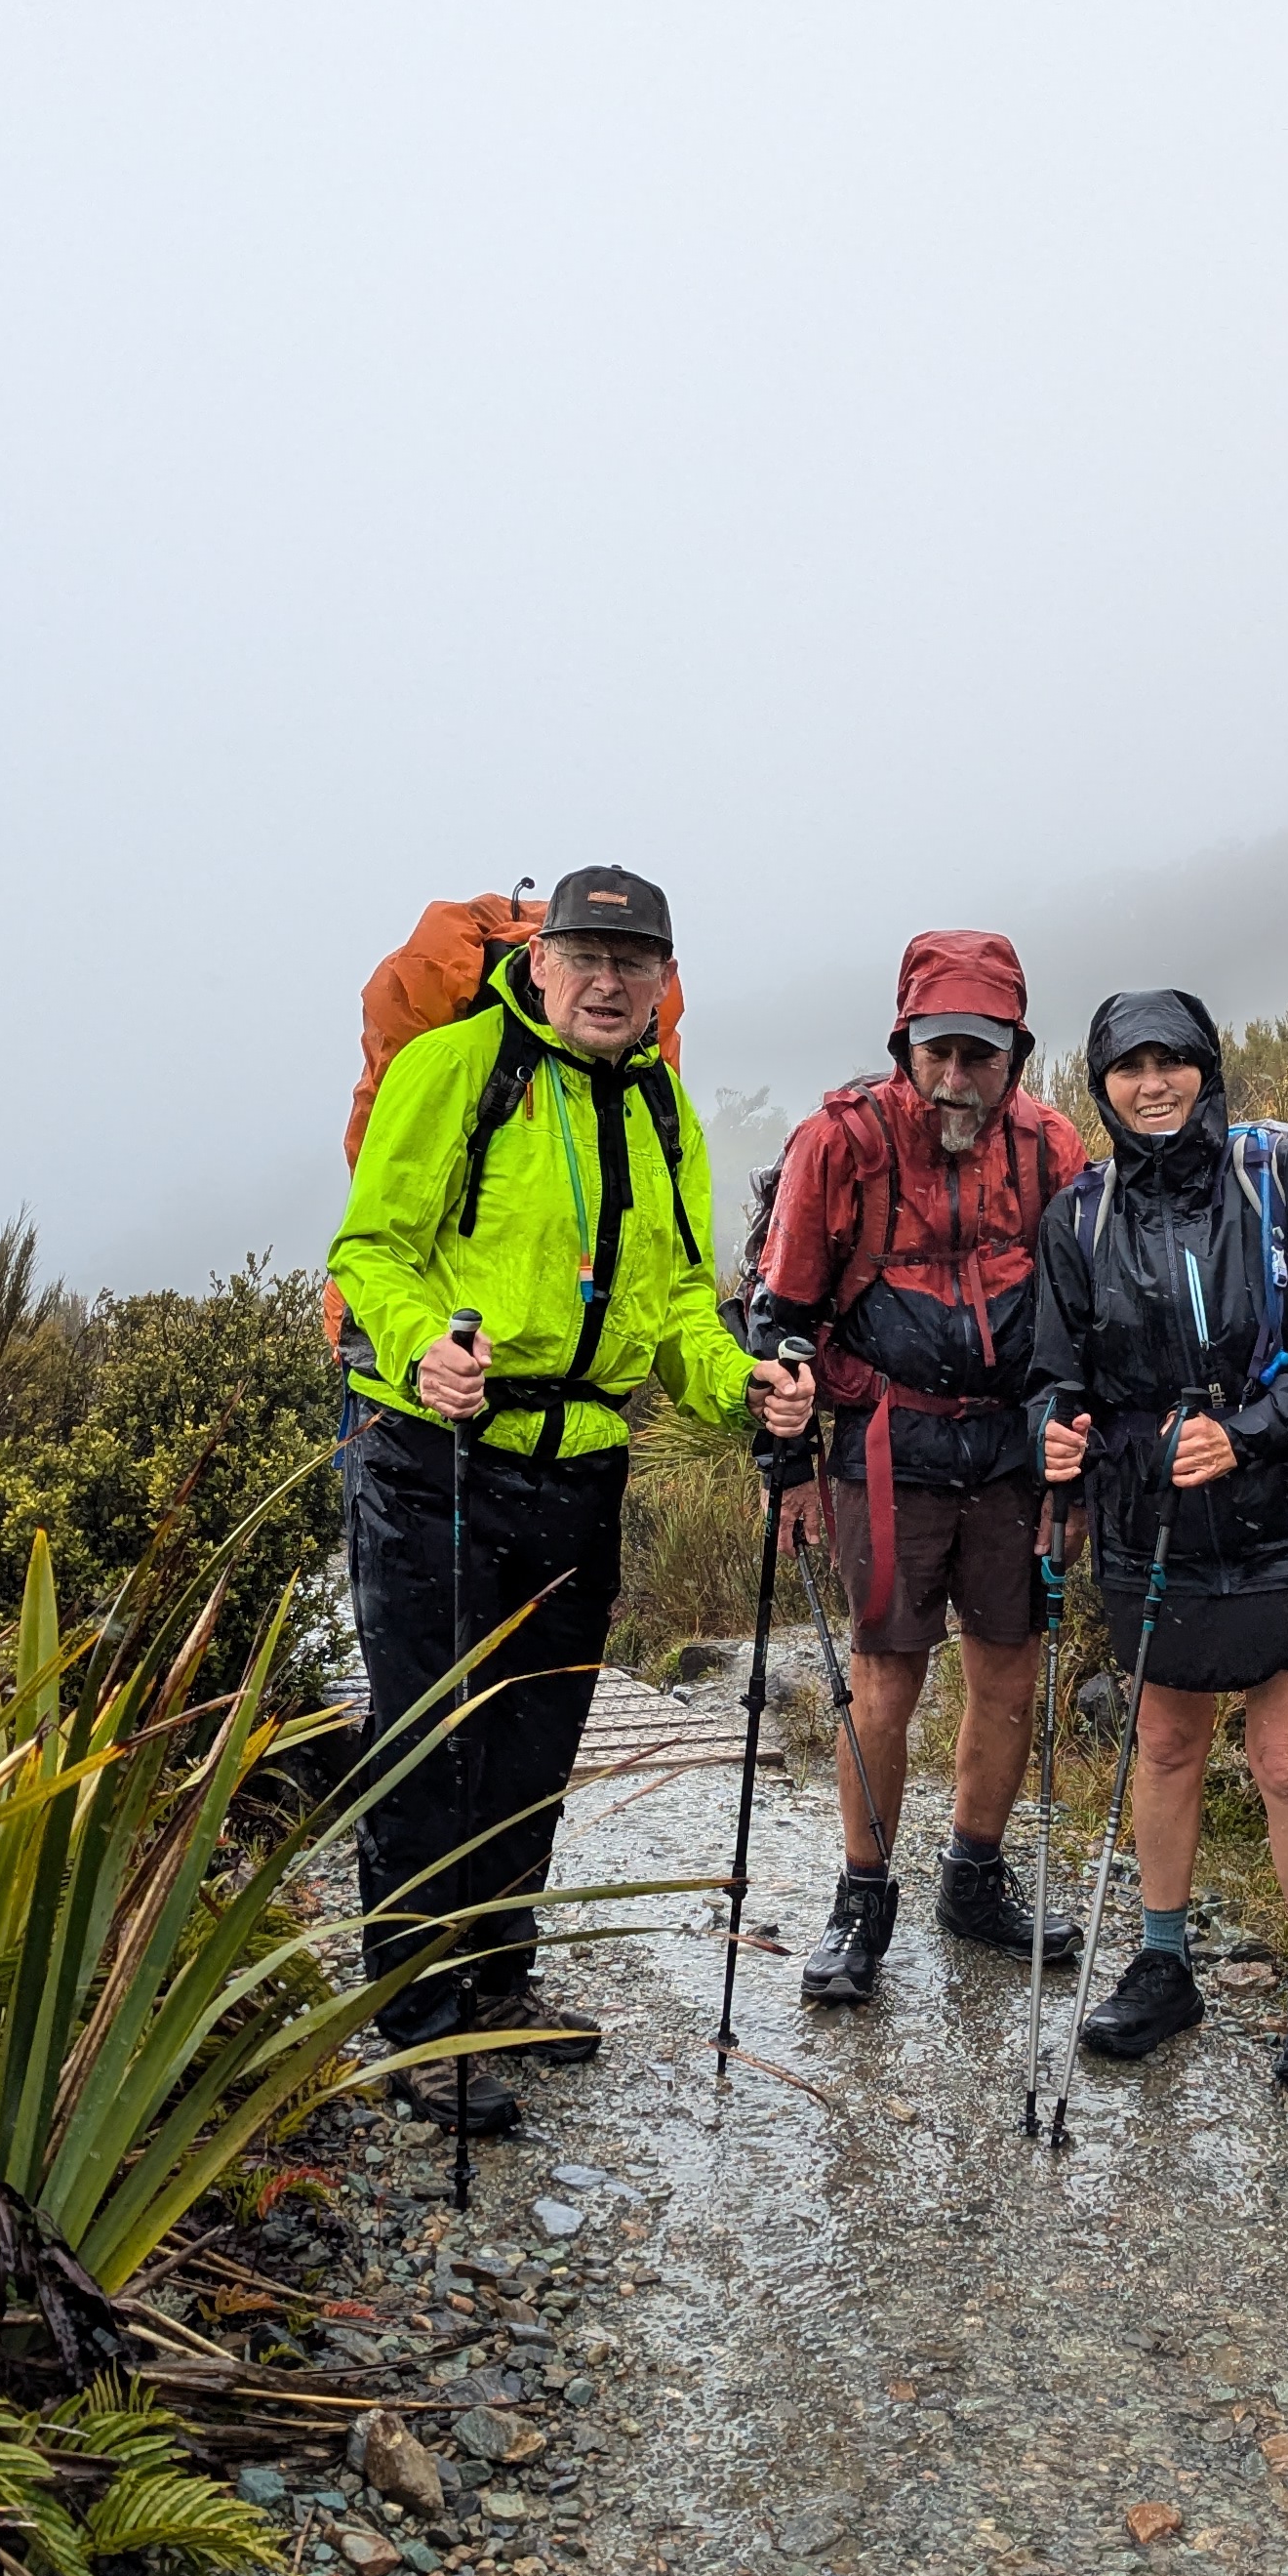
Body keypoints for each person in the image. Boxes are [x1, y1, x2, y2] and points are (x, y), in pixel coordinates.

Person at [328, 864, 815, 2127]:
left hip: (580, 1466)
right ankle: (417, 2021)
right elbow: (369, 1249)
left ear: (664, 981)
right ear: (538, 963)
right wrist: (424, 1346)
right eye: (586, 958)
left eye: (633, 963)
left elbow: (674, 1309)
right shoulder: (454, 1072)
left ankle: (498, 1983)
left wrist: (745, 1386)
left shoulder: (660, 1107)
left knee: (538, 1736)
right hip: (432, 1452)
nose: (608, 982)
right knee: (430, 1737)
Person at [1032, 989, 1288, 2093]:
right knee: (1166, 1746)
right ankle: (1163, 1963)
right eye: (1129, 1068)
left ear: (1206, 1068)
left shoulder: (1286, 1175)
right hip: (1158, 1521)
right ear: (1101, 1087)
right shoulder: (1079, 1218)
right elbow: (1055, 1376)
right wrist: (1054, 1433)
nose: (1153, 1085)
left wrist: (1245, 1435)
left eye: (1172, 1061)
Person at [752, 929, 1091, 2003]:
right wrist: (787, 1468)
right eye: (936, 1051)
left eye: (979, 1055)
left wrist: (1073, 1464)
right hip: (885, 1449)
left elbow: (1085, 1317)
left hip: (1009, 1454)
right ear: (904, 1045)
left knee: (1008, 1671)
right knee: (885, 1679)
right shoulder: (840, 1143)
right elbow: (784, 1315)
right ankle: (862, 1901)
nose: (955, 1077)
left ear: (1015, 1054)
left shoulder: (1050, 1148)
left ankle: (973, 1880)